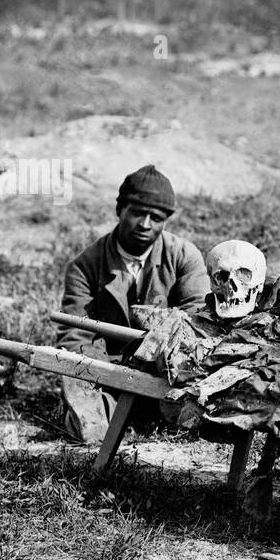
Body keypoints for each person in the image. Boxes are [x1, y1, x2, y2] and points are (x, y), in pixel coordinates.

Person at [56, 166, 210, 442]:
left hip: (167, 374)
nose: (145, 224)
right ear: (119, 209)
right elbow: (75, 337)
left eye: (156, 217)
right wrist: (109, 374)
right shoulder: (85, 266)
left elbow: (199, 324)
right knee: (89, 421)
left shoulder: (185, 257)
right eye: (138, 213)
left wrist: (158, 362)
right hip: (109, 374)